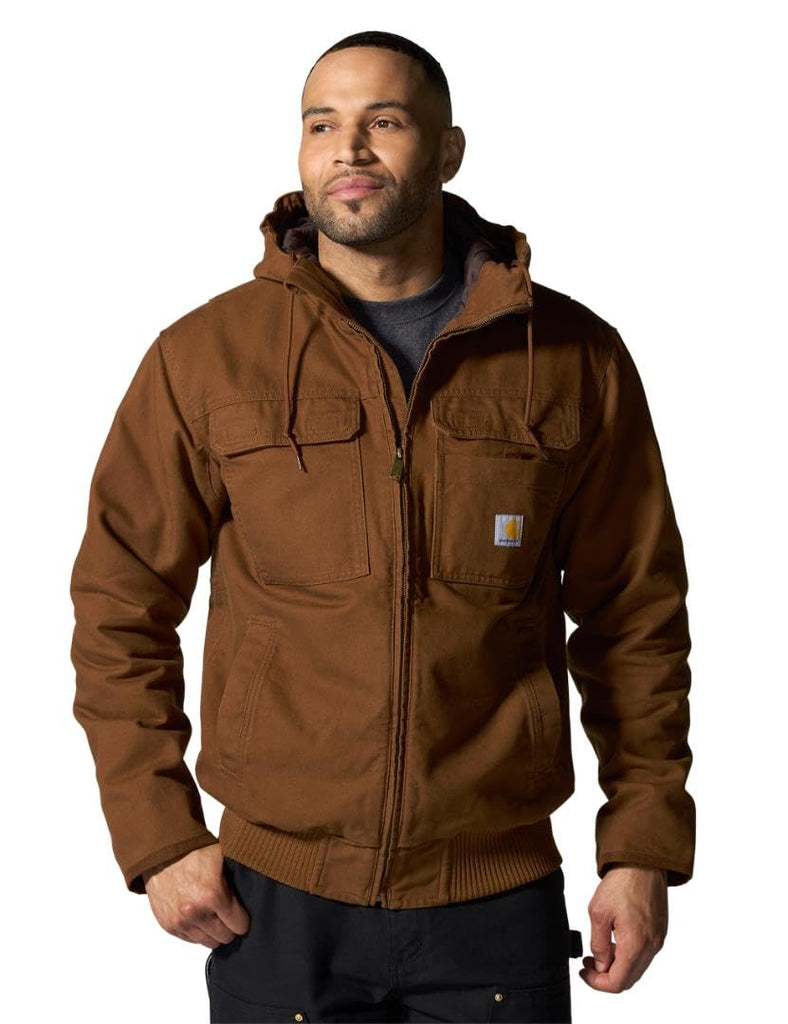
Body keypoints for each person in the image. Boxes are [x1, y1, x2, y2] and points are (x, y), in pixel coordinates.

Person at [69, 29, 695, 1024]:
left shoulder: (572, 357)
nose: (348, 149)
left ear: (447, 151)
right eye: (321, 125)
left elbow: (636, 618)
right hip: (273, 897)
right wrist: (158, 835)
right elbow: (118, 605)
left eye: (384, 121)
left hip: (494, 899)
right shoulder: (206, 357)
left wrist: (640, 847)